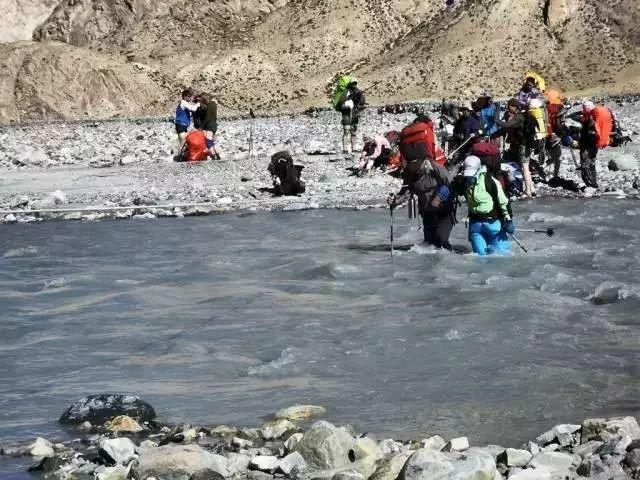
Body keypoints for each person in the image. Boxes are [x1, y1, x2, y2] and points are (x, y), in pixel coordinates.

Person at [389, 115, 455, 249]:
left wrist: (439, 197)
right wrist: (394, 202)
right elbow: (405, 192)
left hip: (440, 211)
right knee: (435, 244)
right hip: (429, 212)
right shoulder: (428, 166)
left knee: (438, 242)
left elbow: (452, 185)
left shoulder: (414, 170)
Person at [451, 156, 514, 256]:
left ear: (479, 170)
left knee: (501, 256)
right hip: (476, 226)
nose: (469, 178)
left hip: (494, 224)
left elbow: (503, 202)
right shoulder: (463, 181)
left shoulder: (491, 182)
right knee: (479, 258)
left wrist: (509, 220)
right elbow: (453, 190)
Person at [496, 98, 536, 197]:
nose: (508, 109)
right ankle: (532, 189)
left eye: (509, 107)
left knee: (524, 168)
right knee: (525, 168)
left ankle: (528, 191)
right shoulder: (523, 115)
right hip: (526, 145)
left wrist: (496, 118)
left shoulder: (519, 117)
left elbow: (506, 125)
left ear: (515, 107)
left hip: (523, 145)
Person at [579, 101, 614, 188]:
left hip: (587, 144)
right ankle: (594, 183)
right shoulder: (595, 116)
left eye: (584, 108)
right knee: (592, 163)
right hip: (595, 144)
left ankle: (590, 184)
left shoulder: (590, 117)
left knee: (584, 164)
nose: (582, 110)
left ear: (586, 108)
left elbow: (588, 131)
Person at [332, 75, 365, 154]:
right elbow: (340, 102)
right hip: (346, 114)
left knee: (353, 132)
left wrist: (358, 97)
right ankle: (345, 149)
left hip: (354, 114)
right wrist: (348, 98)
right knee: (346, 131)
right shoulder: (345, 92)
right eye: (353, 83)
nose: (354, 85)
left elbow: (362, 102)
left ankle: (353, 148)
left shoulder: (358, 91)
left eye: (355, 83)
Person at [193, 92, 220, 159]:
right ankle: (217, 155)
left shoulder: (210, 105)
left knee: (208, 141)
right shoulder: (212, 104)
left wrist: (201, 127)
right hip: (212, 125)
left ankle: (214, 155)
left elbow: (207, 117)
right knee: (210, 140)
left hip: (210, 125)